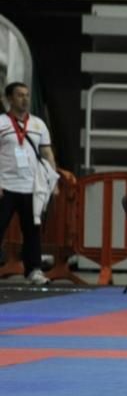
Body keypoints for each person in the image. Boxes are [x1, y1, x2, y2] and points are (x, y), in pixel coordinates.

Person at [0, 82, 57, 286]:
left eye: (26, 95)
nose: (24, 99)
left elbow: (46, 152)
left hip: (32, 187)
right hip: (5, 185)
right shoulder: (1, 123)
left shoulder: (38, 124)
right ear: (8, 99)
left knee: (33, 230)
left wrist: (54, 180)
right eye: (19, 95)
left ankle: (34, 270)